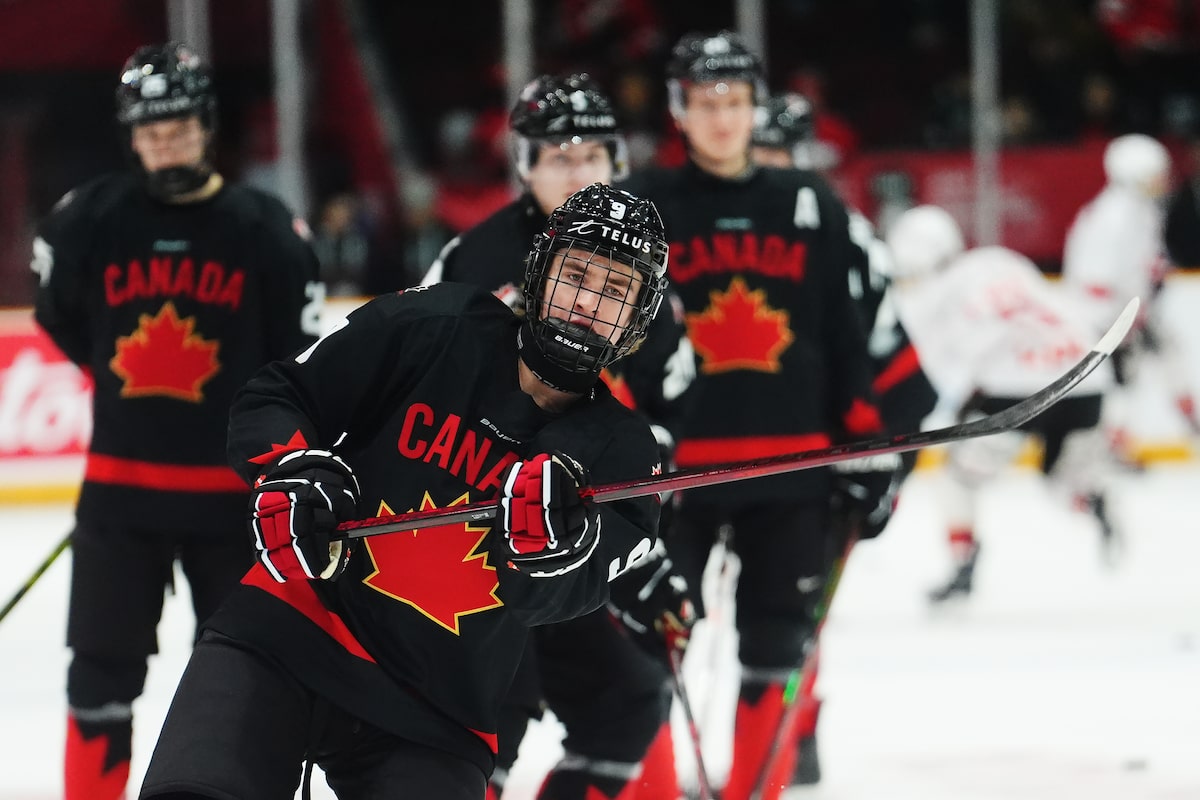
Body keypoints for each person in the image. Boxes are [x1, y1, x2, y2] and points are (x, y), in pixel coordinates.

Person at [136, 183, 673, 800]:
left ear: (638, 318)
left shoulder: (624, 452)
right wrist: (293, 469)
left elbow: (556, 595)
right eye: (577, 274)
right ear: (541, 270)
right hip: (289, 637)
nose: (586, 303)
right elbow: (279, 394)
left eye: (613, 291)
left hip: (434, 711)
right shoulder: (436, 323)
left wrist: (552, 547)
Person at [26, 42, 325, 800]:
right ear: (131, 134)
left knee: (239, 681)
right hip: (121, 502)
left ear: (206, 126)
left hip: (235, 505)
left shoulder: (267, 231)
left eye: (180, 125)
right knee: (98, 679)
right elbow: (62, 320)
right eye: (152, 129)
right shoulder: (86, 221)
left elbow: (298, 359)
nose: (166, 142)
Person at [619, 31, 897, 800]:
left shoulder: (812, 204)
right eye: (705, 103)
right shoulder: (644, 205)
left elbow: (847, 338)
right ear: (678, 109)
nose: (721, 118)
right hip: (677, 471)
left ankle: (756, 790)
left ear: (755, 109)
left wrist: (866, 448)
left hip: (795, 467)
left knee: (777, 645)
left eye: (735, 102)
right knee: (654, 642)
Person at [423, 72, 696, 800]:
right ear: (524, 163)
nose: (577, 173)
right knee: (486, 728)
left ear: (616, 162)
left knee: (630, 703)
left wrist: (640, 539)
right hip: (480, 534)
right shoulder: (469, 262)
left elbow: (670, 403)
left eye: (591, 157)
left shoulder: (645, 265)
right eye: (558, 157)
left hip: (587, 530)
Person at [885, 205, 1118, 594]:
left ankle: (963, 564)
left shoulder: (928, 300)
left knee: (954, 480)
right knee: (1061, 484)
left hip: (1016, 394)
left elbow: (939, 378)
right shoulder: (999, 259)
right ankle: (1087, 498)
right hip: (1087, 378)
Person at [1061, 134, 1191, 459]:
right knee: (1120, 381)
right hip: (1108, 318)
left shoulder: (1138, 209)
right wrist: (1125, 318)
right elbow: (1094, 282)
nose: (1163, 180)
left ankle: (1181, 421)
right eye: (1155, 173)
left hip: (1127, 313)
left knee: (1162, 362)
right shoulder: (1114, 216)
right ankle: (1112, 444)